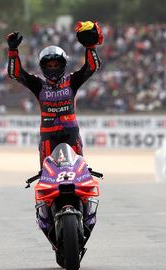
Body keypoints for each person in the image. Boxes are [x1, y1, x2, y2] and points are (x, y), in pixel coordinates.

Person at [6, 21, 103, 167]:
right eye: (49, 66)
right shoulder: (38, 84)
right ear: (42, 67)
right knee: (45, 172)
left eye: (56, 65)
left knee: (80, 169)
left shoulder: (72, 81)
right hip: (47, 136)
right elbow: (15, 74)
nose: (53, 68)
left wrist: (90, 47)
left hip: (71, 133)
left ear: (63, 65)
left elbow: (93, 66)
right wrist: (12, 51)